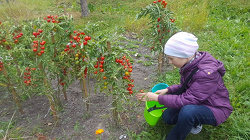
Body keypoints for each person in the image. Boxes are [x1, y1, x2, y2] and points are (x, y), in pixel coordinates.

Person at [136, 32, 233, 140]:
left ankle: (178, 134)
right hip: (199, 99)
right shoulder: (192, 63)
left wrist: (157, 98)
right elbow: (186, 86)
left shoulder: (206, 74)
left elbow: (187, 100)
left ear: (184, 56)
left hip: (215, 107)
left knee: (188, 112)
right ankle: (194, 120)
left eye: (171, 58)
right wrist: (168, 90)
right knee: (167, 117)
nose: (169, 62)